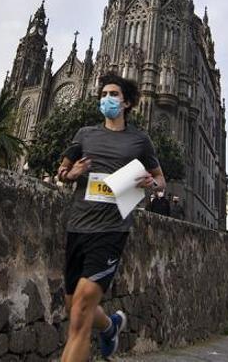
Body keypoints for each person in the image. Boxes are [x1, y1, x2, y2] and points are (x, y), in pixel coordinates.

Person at [56, 73, 165, 361]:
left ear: (127, 102)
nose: (107, 99)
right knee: (73, 306)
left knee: (79, 311)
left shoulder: (139, 140)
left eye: (113, 94)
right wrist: (71, 175)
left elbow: (159, 181)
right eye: (104, 94)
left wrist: (149, 184)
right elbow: (62, 172)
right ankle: (110, 325)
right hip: (78, 226)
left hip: (112, 230)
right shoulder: (85, 134)